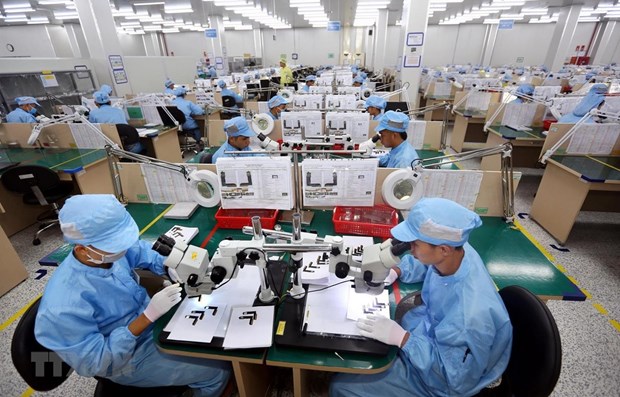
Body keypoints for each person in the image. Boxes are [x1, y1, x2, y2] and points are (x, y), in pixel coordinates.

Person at [34, 194, 231, 397]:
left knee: (219, 339)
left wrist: (170, 264)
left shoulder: (105, 252)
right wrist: (146, 317)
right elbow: (96, 363)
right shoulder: (62, 305)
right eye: (115, 244)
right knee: (218, 371)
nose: (122, 247)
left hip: (153, 326)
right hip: (126, 358)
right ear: (83, 249)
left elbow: (140, 249)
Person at [330, 197, 513, 397]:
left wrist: (405, 340)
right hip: (431, 332)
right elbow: (427, 261)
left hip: (441, 380)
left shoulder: (470, 317)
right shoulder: (457, 249)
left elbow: (453, 380)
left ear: (443, 249)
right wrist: (396, 270)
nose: (411, 249)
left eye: (415, 244)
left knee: (342, 387)